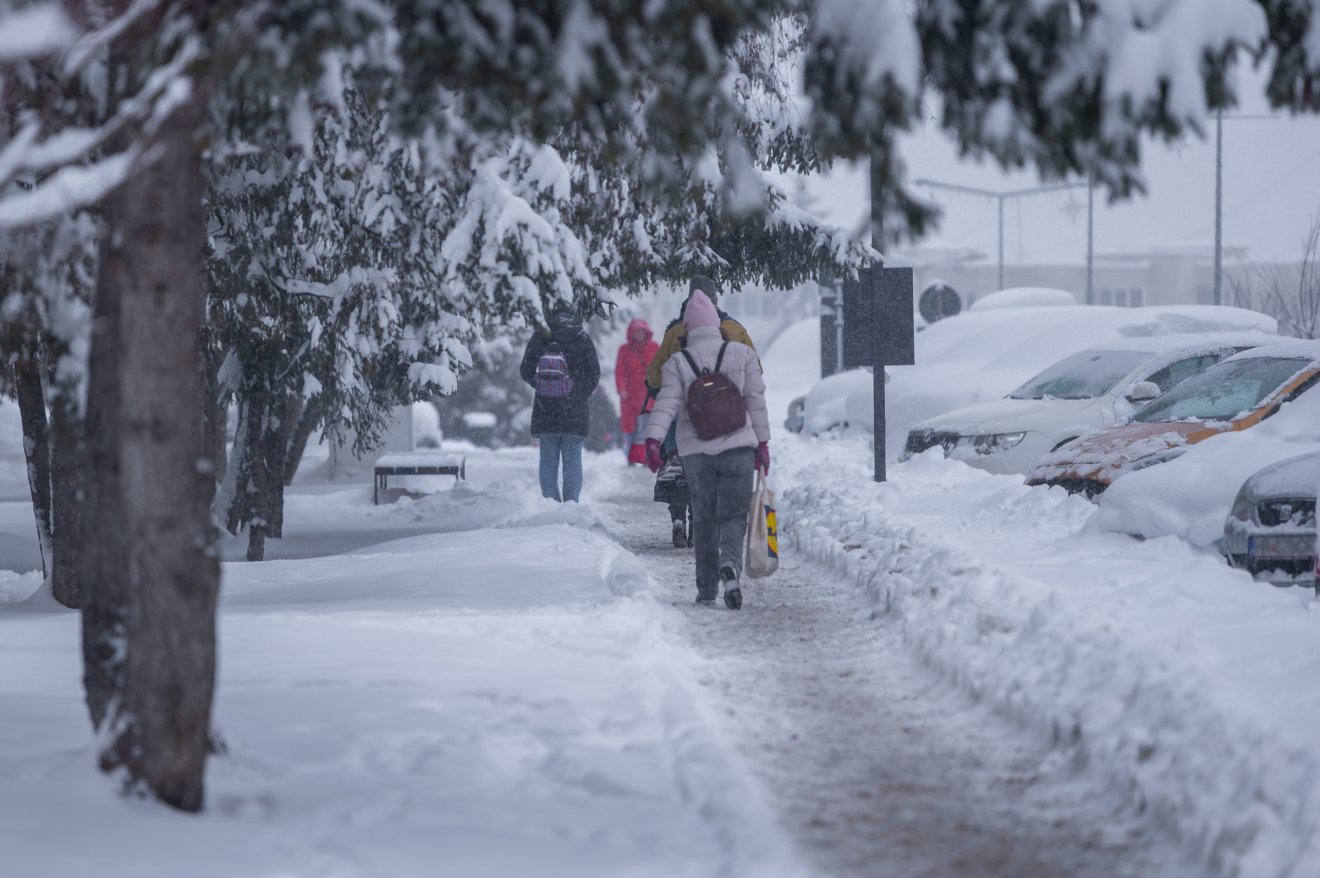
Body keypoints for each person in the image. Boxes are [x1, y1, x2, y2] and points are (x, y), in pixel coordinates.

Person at [642, 290, 770, 609]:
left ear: (687, 328)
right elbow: (756, 400)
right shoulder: (742, 354)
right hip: (738, 447)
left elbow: (666, 403)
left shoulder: (678, 362)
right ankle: (731, 567)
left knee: (704, 516)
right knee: (734, 514)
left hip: (696, 452)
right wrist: (763, 444)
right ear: (717, 324)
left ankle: (707, 588)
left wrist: (653, 440)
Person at [644, 275, 757, 547]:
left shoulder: (675, 332)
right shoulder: (735, 330)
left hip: (683, 416)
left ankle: (677, 518)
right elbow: (756, 370)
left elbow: (654, 376)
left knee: (678, 468)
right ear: (716, 300)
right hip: (722, 417)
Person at [520, 303, 601, 502]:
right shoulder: (581, 336)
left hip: (545, 410)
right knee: (572, 460)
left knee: (548, 461)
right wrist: (578, 392)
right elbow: (594, 373)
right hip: (574, 411)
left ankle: (550, 505)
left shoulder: (542, 334)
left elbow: (526, 370)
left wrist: (542, 386)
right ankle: (571, 505)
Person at [614, 317, 658, 460]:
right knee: (631, 427)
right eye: (636, 331)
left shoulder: (654, 347)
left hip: (648, 393)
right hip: (630, 396)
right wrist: (622, 388)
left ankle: (648, 456)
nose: (639, 334)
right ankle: (632, 455)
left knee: (649, 425)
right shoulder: (624, 350)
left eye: (641, 331)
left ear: (646, 332)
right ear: (631, 333)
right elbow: (620, 371)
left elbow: (660, 368)